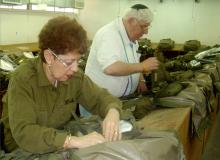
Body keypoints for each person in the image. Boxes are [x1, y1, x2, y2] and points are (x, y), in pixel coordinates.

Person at [2, 16, 122, 154]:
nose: (76, 68)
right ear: (49, 57)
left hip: (59, 140)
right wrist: (74, 141)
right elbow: (25, 132)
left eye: (78, 60)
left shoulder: (74, 77)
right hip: (23, 148)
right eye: (69, 62)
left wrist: (112, 112)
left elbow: (100, 97)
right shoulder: (23, 79)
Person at [80, 4, 159, 116]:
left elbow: (133, 62)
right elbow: (110, 68)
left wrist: (140, 78)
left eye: (147, 27)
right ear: (131, 21)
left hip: (119, 101)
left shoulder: (131, 38)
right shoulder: (109, 34)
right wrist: (142, 66)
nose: (146, 32)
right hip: (98, 104)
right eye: (143, 26)